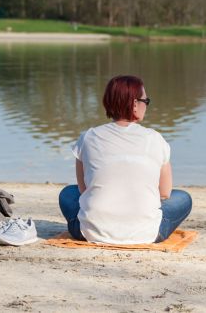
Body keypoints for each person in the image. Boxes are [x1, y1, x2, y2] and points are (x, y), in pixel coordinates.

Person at [59, 75, 192, 244]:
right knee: (183, 198)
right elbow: (165, 193)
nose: (147, 106)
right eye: (146, 101)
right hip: (147, 233)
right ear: (135, 104)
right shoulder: (155, 138)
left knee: (68, 193)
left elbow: (84, 189)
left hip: (90, 232)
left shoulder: (88, 137)